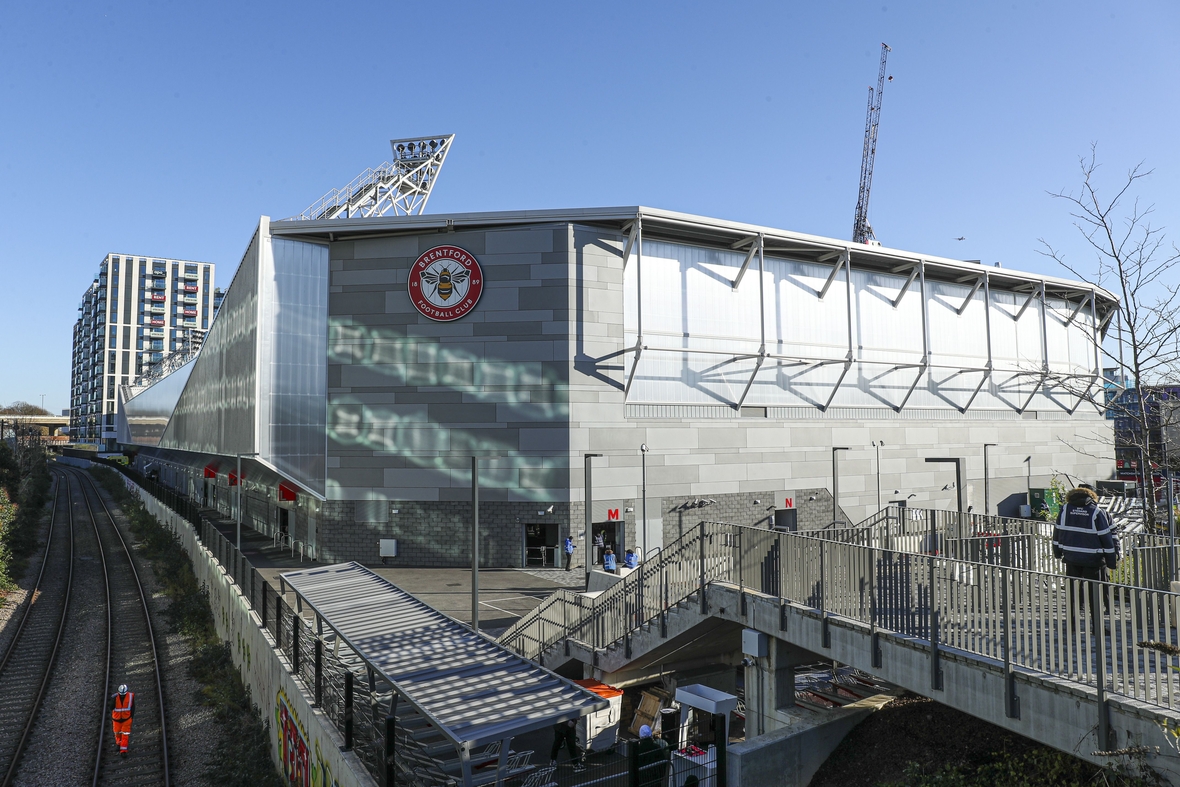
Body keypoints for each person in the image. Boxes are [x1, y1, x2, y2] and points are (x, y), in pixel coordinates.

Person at [1052, 484, 1118, 628]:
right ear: (1091, 496)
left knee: (1073, 594)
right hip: (1093, 560)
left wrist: (1057, 552)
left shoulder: (1065, 510)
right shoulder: (1096, 512)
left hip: (1071, 558)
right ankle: (1097, 627)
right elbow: (1105, 537)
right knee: (1095, 595)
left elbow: (1057, 532)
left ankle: (1071, 625)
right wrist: (1111, 561)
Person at [110, 683, 134, 756]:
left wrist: (131, 717)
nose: (122, 695)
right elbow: (111, 707)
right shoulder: (115, 697)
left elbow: (133, 707)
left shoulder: (130, 696)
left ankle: (123, 750)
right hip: (116, 720)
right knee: (117, 733)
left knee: (125, 735)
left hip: (126, 720)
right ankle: (118, 744)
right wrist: (113, 700)